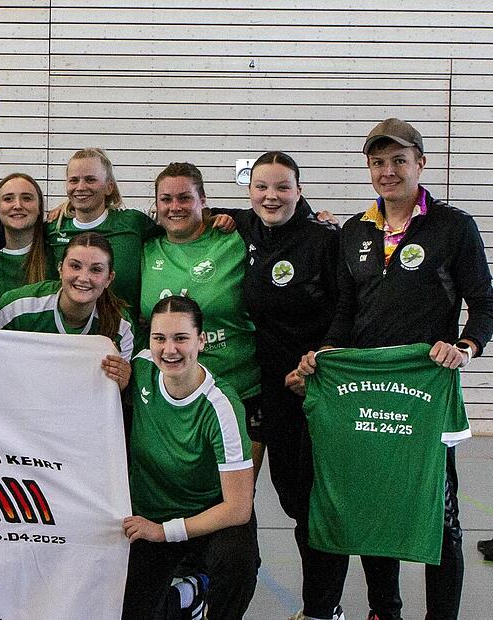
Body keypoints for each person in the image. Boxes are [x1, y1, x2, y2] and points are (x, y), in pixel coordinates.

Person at [295, 118, 493, 620]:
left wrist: (466, 347)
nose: (388, 171)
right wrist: (324, 356)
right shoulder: (354, 231)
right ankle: (385, 610)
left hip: (424, 393)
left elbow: (484, 304)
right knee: (375, 503)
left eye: (399, 160)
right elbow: (345, 312)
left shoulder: (453, 227)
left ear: (420, 164)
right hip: (364, 392)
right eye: (378, 162)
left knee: (439, 515)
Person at [210, 152, 345, 620]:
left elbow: (348, 309)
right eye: (261, 187)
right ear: (249, 192)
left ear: (299, 191)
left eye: (283, 187)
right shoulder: (248, 226)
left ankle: (322, 609)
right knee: (289, 499)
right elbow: (185, 210)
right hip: (270, 391)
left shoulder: (324, 240)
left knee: (314, 508)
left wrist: (320, 359)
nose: (271, 196)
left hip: (317, 390)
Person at [106, 296, 257, 620]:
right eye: (159, 338)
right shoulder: (142, 368)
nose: (169, 349)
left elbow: (238, 507)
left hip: (206, 515)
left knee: (237, 563)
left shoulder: (222, 407)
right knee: (124, 607)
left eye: (181, 338)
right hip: (149, 512)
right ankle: (187, 595)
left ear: (201, 341)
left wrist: (163, 532)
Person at [141, 162, 262, 469]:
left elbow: (281, 221)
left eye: (185, 197)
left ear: (203, 199)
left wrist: (318, 217)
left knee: (237, 493)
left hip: (239, 392)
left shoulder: (235, 239)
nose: (175, 207)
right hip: (172, 400)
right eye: (166, 199)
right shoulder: (145, 249)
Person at [48, 148, 156, 330]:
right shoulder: (53, 229)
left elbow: (176, 231)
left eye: (90, 180)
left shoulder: (133, 223)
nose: (80, 187)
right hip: (69, 338)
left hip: (126, 336)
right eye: (74, 180)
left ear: (109, 187)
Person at [0, 232, 133, 360]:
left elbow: (120, 383)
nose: (83, 278)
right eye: (75, 266)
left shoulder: (121, 326)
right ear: (60, 269)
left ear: (109, 278)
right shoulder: (19, 306)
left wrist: (122, 378)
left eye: (96, 270)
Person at [0, 173, 54, 322]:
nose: (17, 205)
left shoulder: (54, 254)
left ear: (39, 208)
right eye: (8, 199)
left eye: (27, 198)